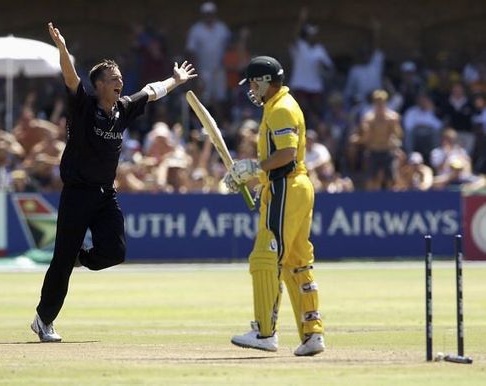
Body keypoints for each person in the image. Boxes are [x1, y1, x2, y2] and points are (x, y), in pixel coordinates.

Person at [31, 22, 196, 342]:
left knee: (115, 252)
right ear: (99, 85)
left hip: (106, 195)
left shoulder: (123, 109)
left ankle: (82, 258)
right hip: (77, 193)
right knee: (60, 261)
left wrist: (175, 81)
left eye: (120, 77)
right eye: (114, 78)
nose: (120, 81)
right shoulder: (83, 106)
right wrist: (63, 49)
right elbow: (70, 76)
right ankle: (43, 319)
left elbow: (150, 91)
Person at [223, 56, 324, 356]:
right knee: (296, 260)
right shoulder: (280, 105)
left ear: (266, 81)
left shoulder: (280, 108)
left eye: (254, 83)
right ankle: (312, 334)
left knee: (266, 258)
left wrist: (253, 168)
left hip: (286, 187)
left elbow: (287, 154)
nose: (251, 89)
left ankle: (265, 333)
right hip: (291, 187)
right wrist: (257, 176)